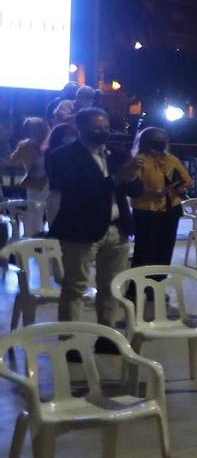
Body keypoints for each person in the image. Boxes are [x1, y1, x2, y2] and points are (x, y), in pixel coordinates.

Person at [46, 107, 137, 332]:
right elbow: (79, 190)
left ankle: (107, 336)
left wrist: (132, 175)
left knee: (111, 287)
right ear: (80, 127)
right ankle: (71, 341)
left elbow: (135, 190)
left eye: (106, 127)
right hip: (81, 229)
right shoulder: (62, 156)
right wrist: (118, 178)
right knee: (75, 287)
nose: (102, 132)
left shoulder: (118, 155)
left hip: (117, 229)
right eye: (96, 127)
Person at [128, 127, 192, 267]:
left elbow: (187, 180)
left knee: (165, 249)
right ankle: (137, 287)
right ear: (146, 141)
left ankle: (159, 283)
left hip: (170, 209)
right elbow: (132, 185)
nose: (160, 143)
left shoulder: (171, 159)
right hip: (147, 210)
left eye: (163, 140)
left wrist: (181, 187)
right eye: (156, 140)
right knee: (144, 251)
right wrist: (154, 192)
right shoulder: (139, 160)